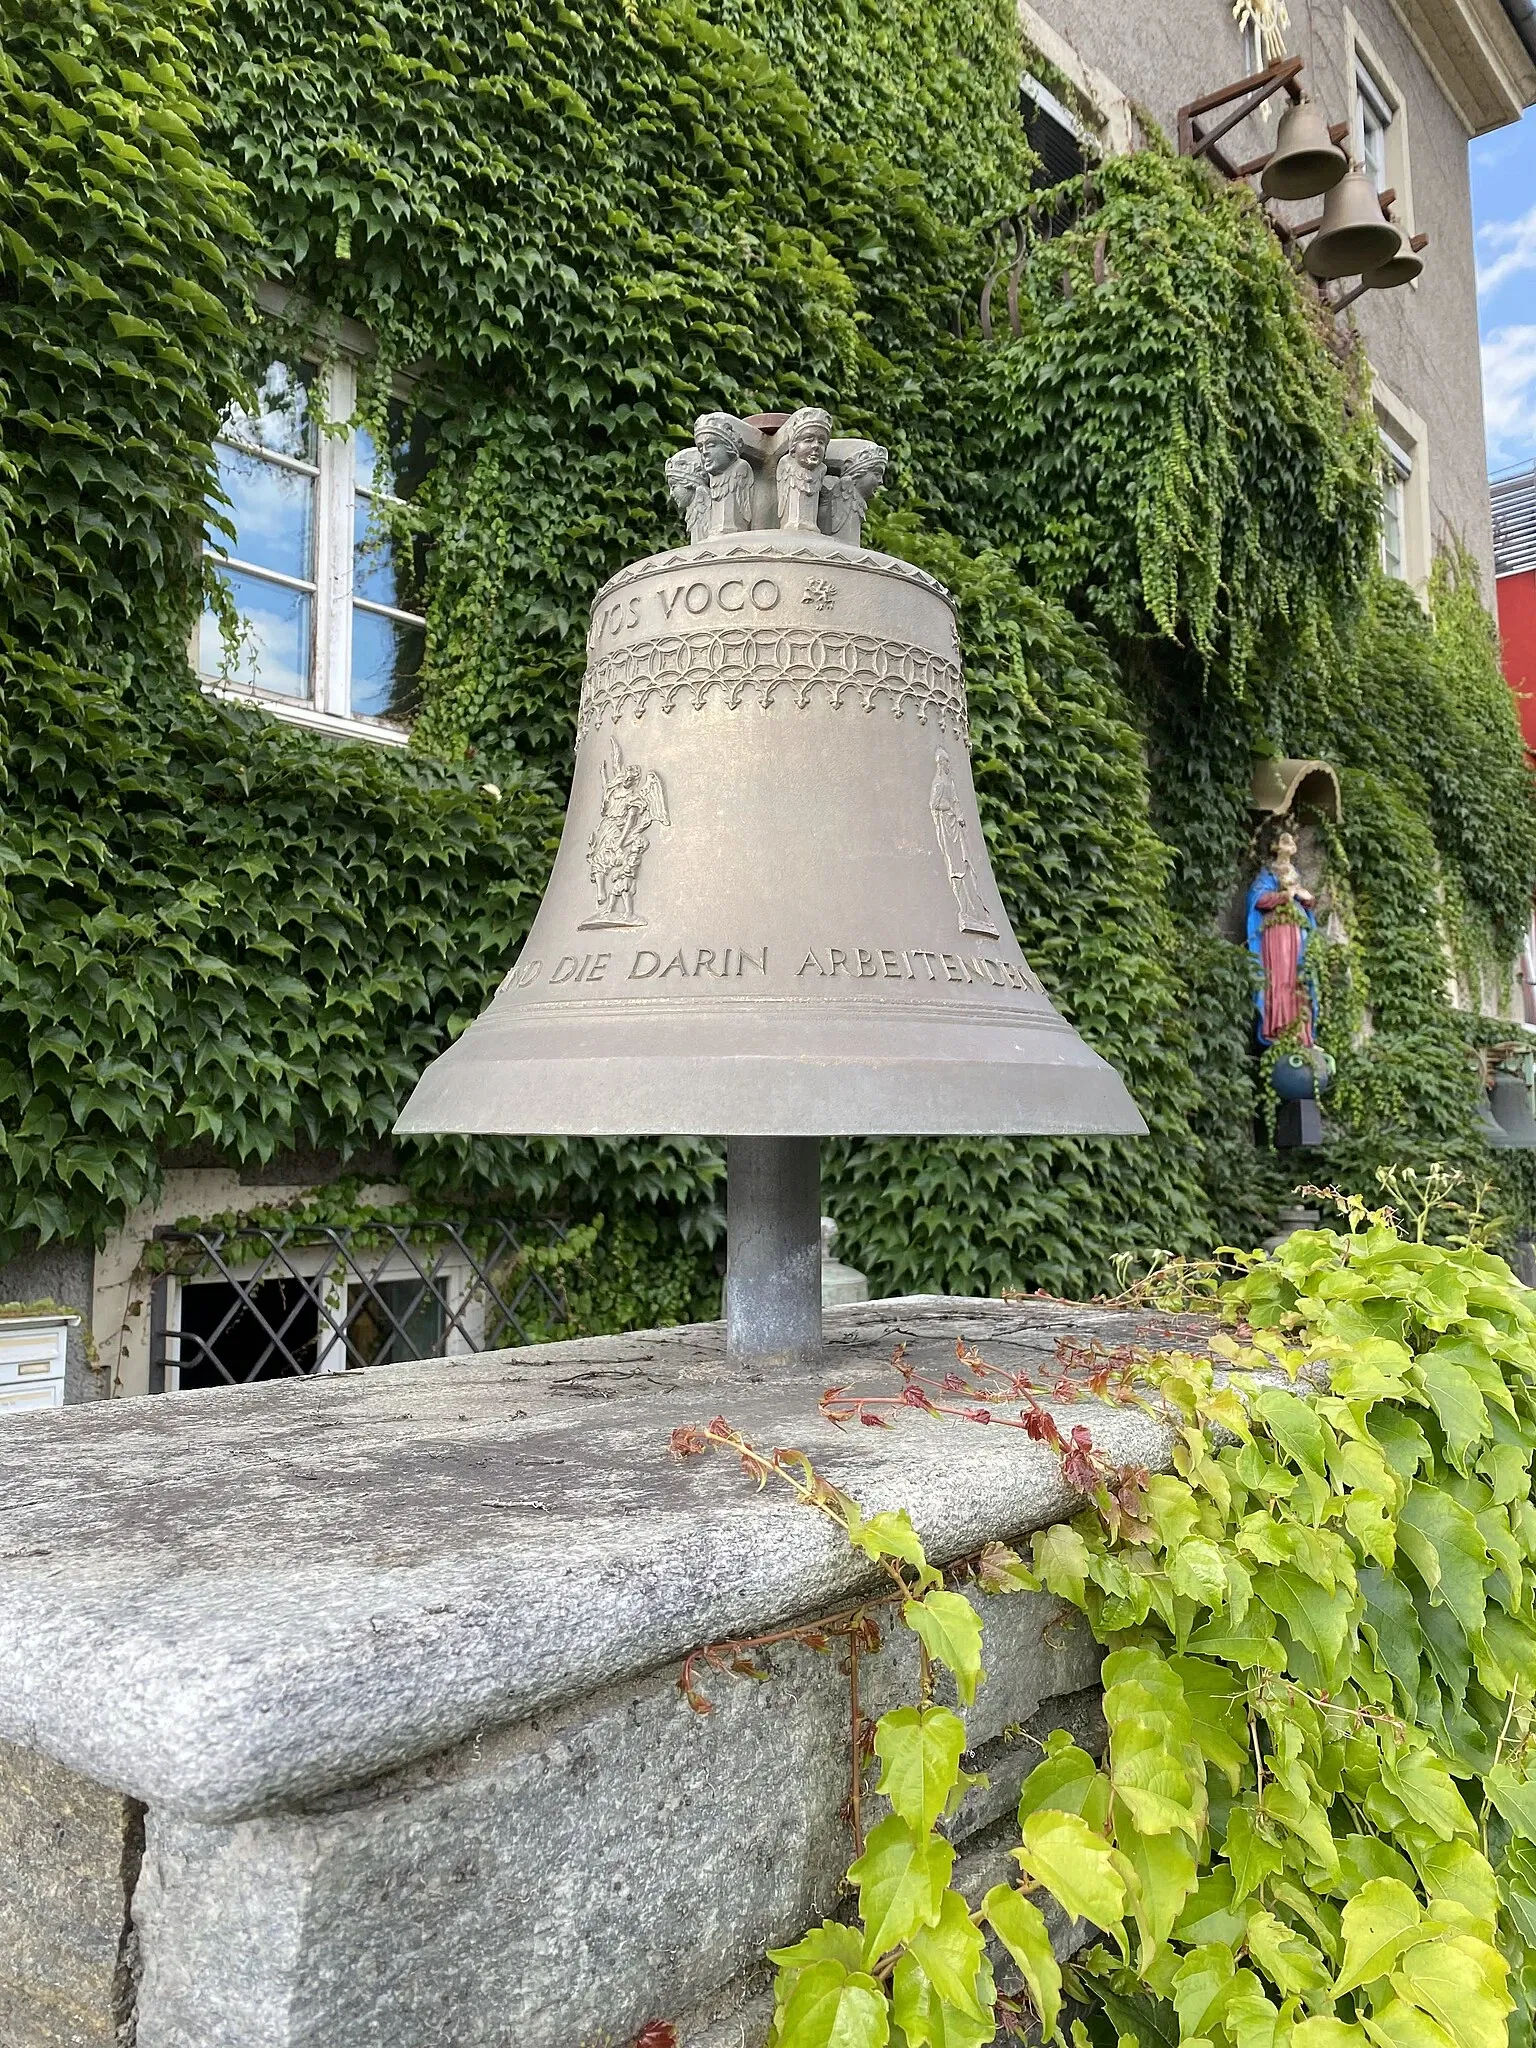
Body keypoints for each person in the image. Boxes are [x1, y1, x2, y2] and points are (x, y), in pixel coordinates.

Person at [1246, 827, 1317, 1044]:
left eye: (1291, 842)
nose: (1287, 847)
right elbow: (1257, 899)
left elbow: (1305, 901)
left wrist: (1306, 898)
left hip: (1296, 931)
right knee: (1279, 976)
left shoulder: (1295, 874)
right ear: (1275, 847)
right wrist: (1285, 897)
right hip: (1276, 932)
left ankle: (1300, 1031)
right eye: (1283, 842)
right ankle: (1278, 1026)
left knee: (1299, 975)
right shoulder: (1268, 874)